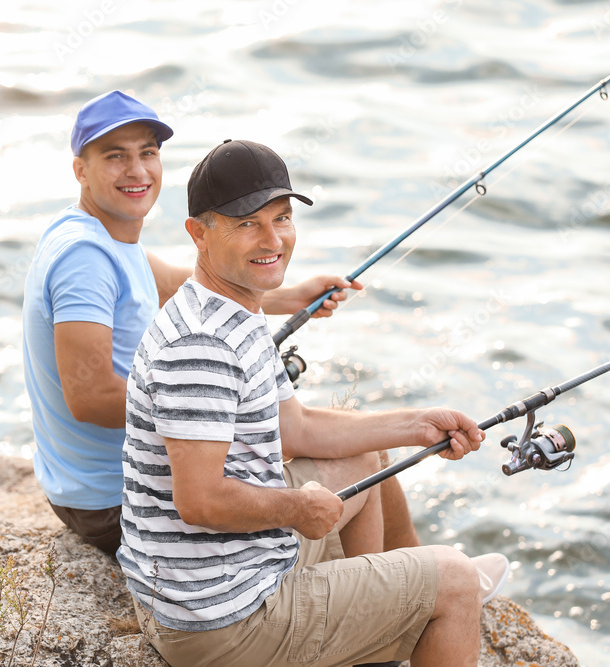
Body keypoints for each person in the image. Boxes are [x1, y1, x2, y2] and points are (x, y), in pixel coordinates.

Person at [119, 139, 510, 667]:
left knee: (364, 461)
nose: (272, 239)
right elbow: (200, 500)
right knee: (458, 580)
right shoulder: (201, 347)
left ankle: (383, 631)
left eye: (281, 218)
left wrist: (417, 424)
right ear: (198, 233)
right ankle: (422, 611)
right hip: (223, 618)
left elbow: (296, 428)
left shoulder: (231, 308)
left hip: (223, 577)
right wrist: (294, 507)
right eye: (246, 223)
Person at [21, 91, 361, 556]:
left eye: (147, 153)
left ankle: (395, 592)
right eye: (115, 156)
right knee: (357, 462)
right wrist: (214, 405)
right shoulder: (86, 258)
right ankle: (404, 600)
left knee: (341, 449)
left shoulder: (100, 237)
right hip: (113, 503)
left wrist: (287, 295)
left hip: (95, 488)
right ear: (80, 169)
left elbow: (167, 283)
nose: (137, 171)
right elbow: (89, 398)